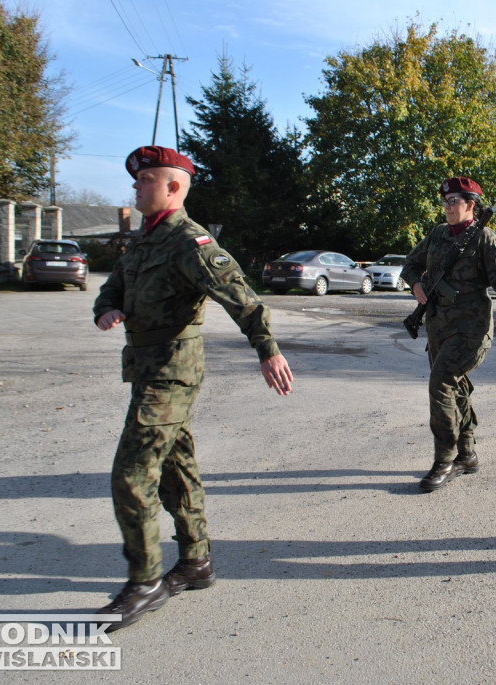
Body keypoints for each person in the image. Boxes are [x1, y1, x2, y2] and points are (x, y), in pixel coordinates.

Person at [93, 145, 294, 630]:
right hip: (145, 367)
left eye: (146, 180)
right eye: (137, 180)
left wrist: (268, 349)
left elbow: (242, 298)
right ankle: (196, 561)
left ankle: (144, 582)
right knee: (175, 467)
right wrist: (107, 307)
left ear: (173, 187)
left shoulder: (190, 241)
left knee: (132, 474)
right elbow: (113, 285)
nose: (137, 187)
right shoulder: (144, 240)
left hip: (172, 371)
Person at [401, 177, 496, 492]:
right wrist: (416, 284)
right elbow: (411, 264)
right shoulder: (438, 235)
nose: (448, 206)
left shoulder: (484, 238)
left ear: (471, 204)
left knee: (440, 382)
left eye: (454, 200)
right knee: (455, 389)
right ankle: (467, 455)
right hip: (438, 326)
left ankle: (444, 459)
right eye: (445, 201)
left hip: (472, 329)